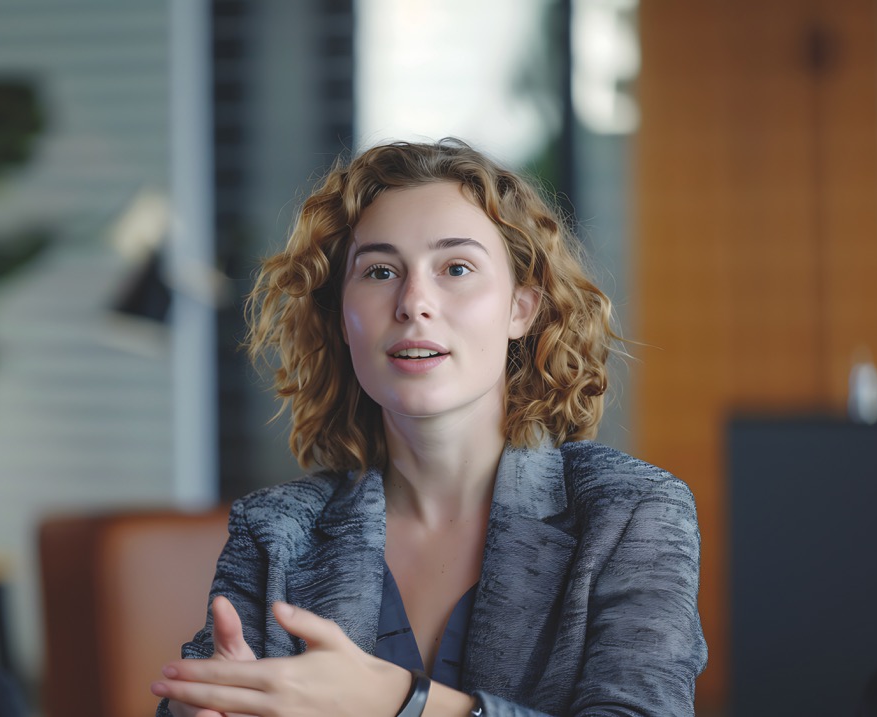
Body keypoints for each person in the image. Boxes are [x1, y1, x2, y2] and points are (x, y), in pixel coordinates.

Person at [151, 139, 706, 717]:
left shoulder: (630, 512)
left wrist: (400, 701)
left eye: (457, 268)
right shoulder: (276, 533)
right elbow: (202, 694)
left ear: (522, 308)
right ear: (343, 315)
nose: (414, 302)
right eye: (381, 271)